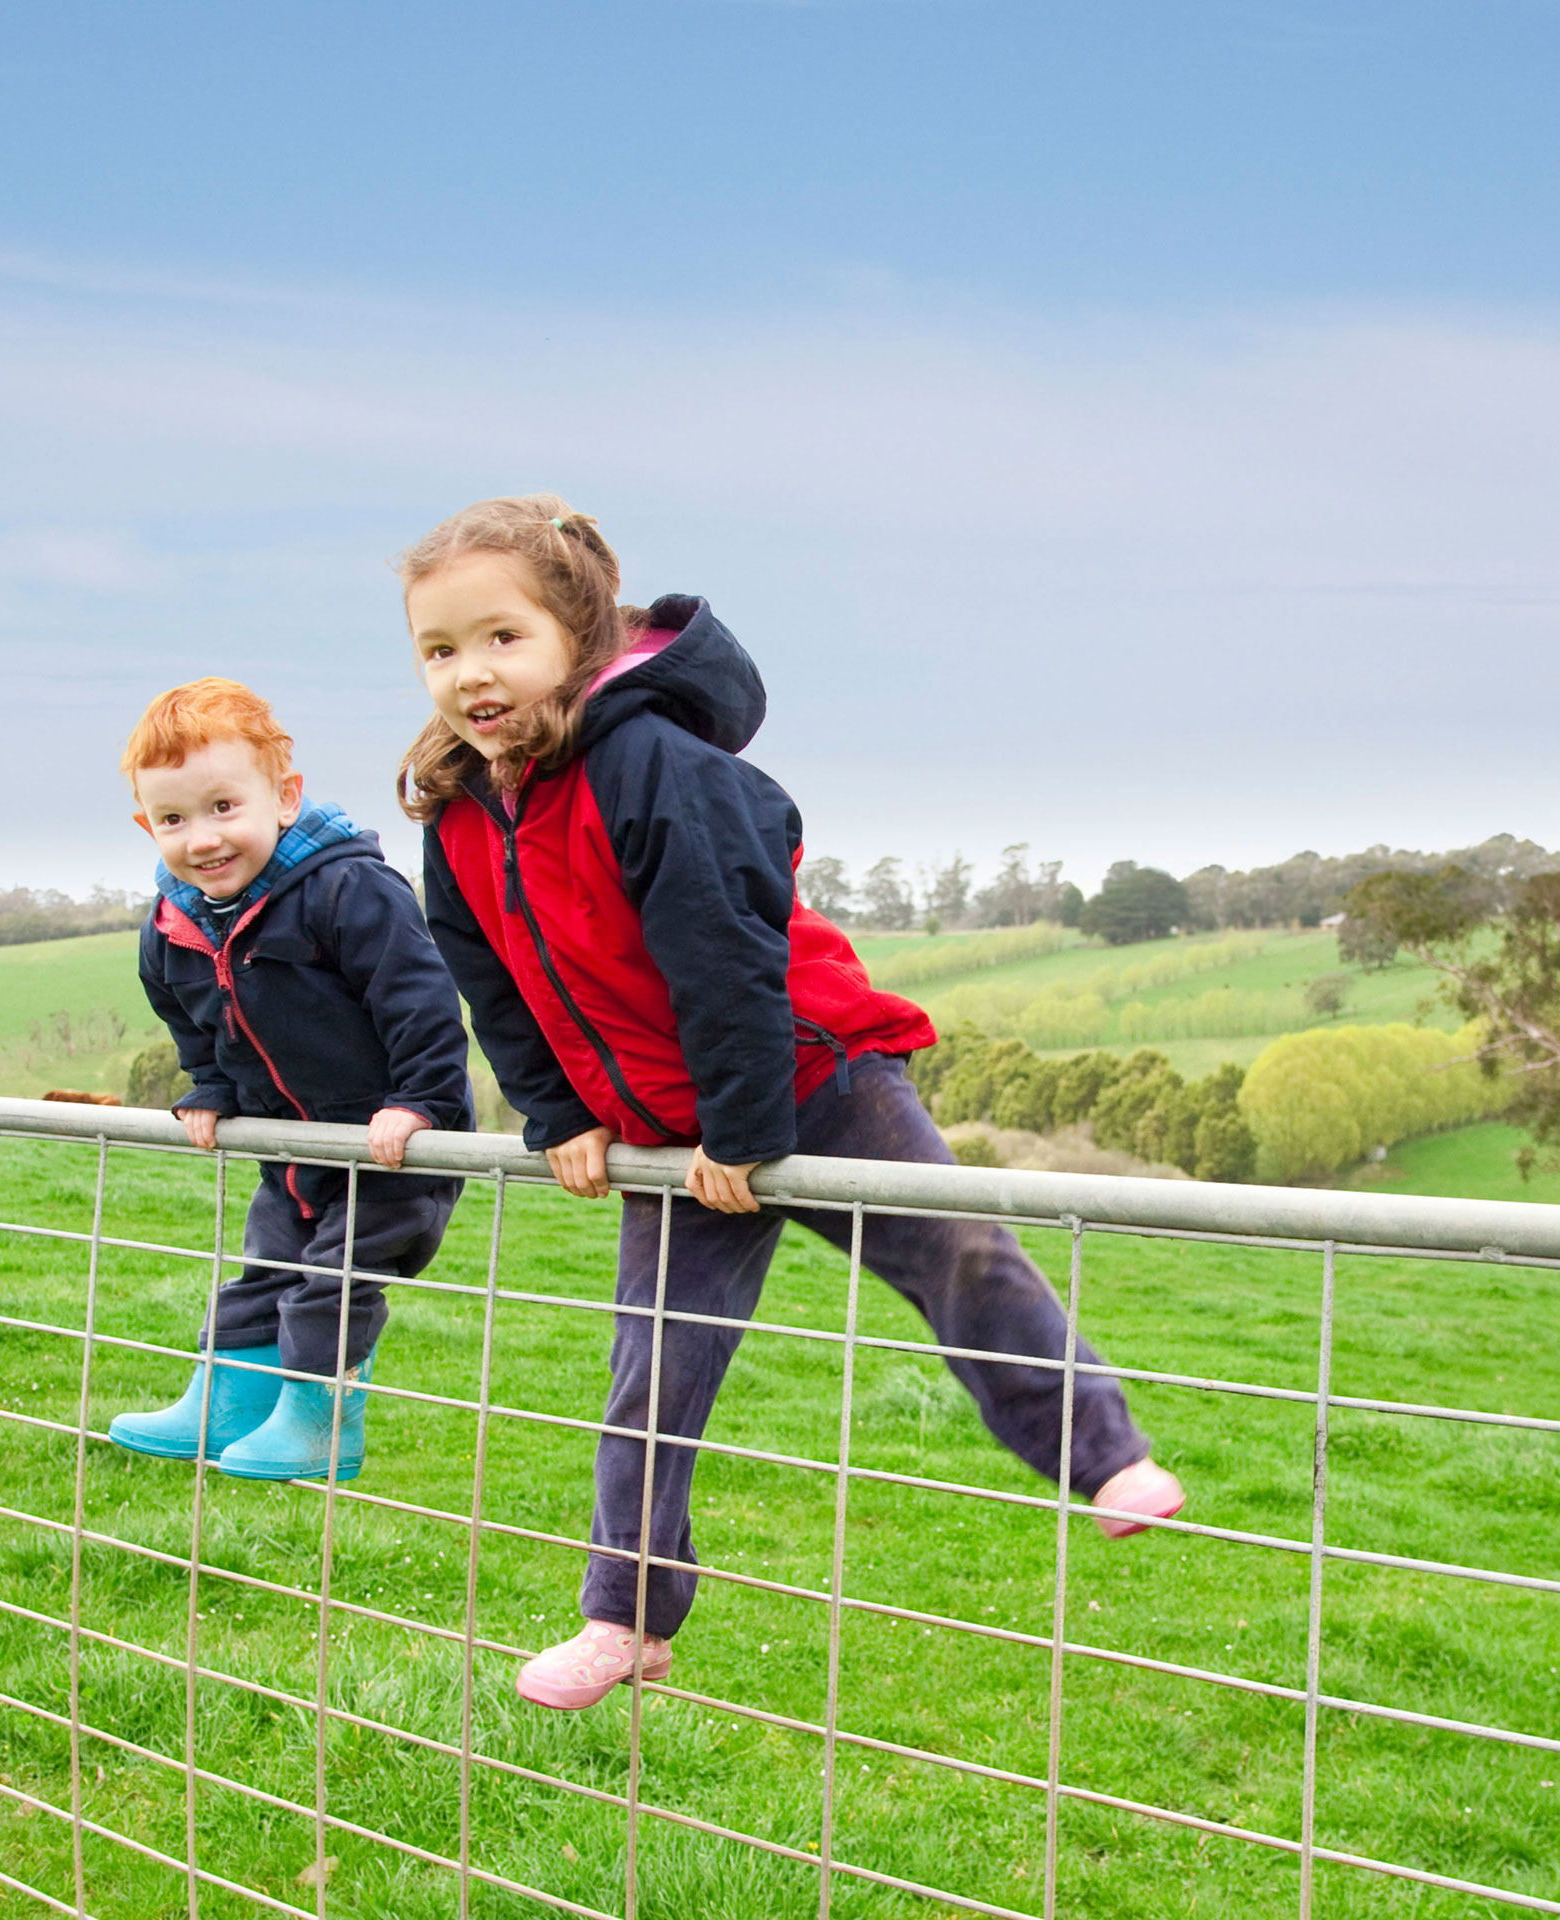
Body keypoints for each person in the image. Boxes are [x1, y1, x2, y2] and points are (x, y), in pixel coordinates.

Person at [400, 495, 1183, 1711]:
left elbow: (724, 959)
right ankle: (627, 1618)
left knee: (960, 1254)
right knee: (653, 1365)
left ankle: (1104, 1458)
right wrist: (559, 1115)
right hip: (671, 1128)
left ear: (580, 632)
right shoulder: (460, 815)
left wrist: (747, 1130)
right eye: (439, 650)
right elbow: (494, 986)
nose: (470, 673)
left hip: (813, 1076)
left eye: (501, 637)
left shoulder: (652, 764)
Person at [107, 677, 471, 1483]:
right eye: (173, 819)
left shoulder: (347, 889)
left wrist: (422, 1104)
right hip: (294, 1144)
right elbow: (193, 1022)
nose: (202, 838)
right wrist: (210, 1086)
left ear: (284, 796)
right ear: (147, 825)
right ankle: (226, 1403)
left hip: (391, 1146)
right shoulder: (172, 930)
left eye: (224, 807)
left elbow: (419, 1000)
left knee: (331, 1278)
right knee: (266, 1265)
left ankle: (319, 1420)